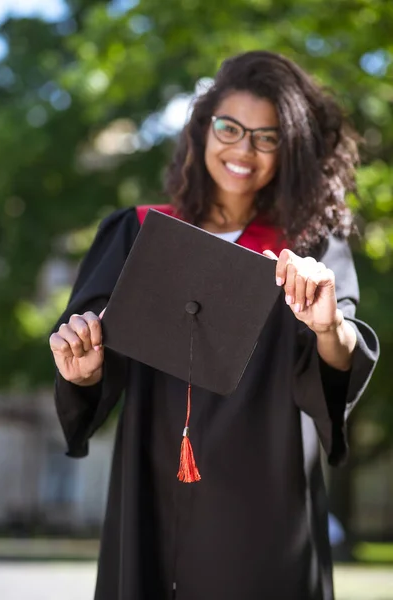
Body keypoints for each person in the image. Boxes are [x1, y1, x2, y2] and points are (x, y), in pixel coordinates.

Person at [50, 51, 379, 600]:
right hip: (151, 483)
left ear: (288, 149)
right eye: (230, 127)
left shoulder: (310, 251)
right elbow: (88, 365)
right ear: (203, 129)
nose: (243, 149)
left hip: (265, 497)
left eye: (266, 137)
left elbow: (338, 360)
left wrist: (328, 328)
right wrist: (82, 369)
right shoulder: (136, 235)